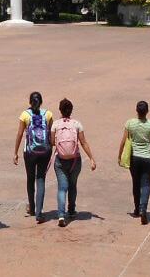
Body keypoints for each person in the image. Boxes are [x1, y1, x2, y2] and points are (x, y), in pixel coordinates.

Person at [51, 98, 96, 227]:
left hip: (60, 160)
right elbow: (83, 142)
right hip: (75, 161)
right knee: (73, 185)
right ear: (71, 110)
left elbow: (52, 142)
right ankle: (71, 210)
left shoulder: (56, 124)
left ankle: (61, 214)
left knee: (62, 188)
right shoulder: (77, 124)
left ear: (60, 110)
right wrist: (91, 158)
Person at [13, 91, 53, 222]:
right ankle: (39, 213)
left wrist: (15, 152)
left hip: (30, 152)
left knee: (30, 178)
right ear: (41, 102)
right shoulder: (48, 114)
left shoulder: (25, 115)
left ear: (30, 102)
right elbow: (51, 134)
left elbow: (19, 134)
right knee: (40, 179)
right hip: (45, 151)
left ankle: (32, 207)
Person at [118, 100, 150, 224]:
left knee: (136, 183)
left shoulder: (130, 123)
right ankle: (143, 209)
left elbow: (124, 141)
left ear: (136, 111)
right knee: (145, 184)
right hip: (148, 158)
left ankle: (136, 209)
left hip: (134, 157)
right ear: (147, 111)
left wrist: (119, 155)